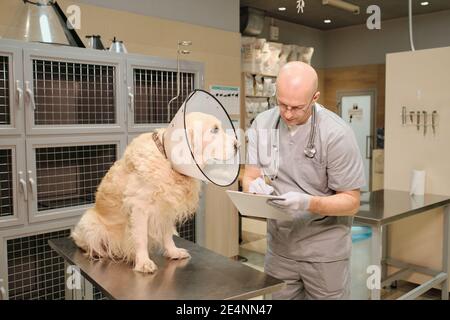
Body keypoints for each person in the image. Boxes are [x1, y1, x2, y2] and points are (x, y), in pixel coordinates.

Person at [242, 61, 365, 300]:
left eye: (297, 107)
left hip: (324, 254)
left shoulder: (336, 134)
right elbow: (250, 175)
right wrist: (252, 187)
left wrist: (308, 203)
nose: (287, 113)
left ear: (315, 97)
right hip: (280, 250)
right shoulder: (263, 124)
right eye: (282, 104)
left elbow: (351, 201)